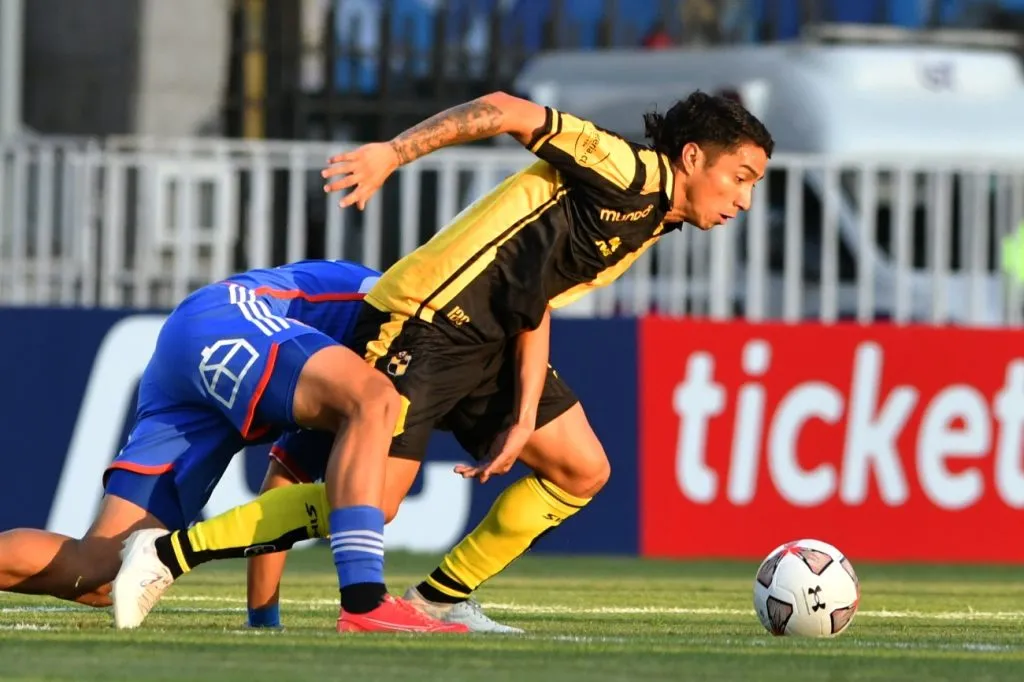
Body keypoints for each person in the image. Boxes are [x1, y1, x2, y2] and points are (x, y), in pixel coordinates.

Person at [113, 89, 773, 630]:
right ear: (691, 156)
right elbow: (508, 108)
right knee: (377, 504)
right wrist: (391, 154)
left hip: (490, 342)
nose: (745, 199)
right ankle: (169, 553)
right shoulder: (625, 170)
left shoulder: (649, 218)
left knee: (580, 469)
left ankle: (439, 600)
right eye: (740, 177)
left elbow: (536, 295)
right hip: (425, 321)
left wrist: (520, 415)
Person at [0, 259, 467, 634]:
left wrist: (263, 622)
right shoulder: (405, 330)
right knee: (372, 400)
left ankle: (363, 605)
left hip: (192, 346)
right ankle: (367, 602)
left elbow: (280, 494)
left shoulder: (342, 391)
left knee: (102, 570)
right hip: (225, 318)